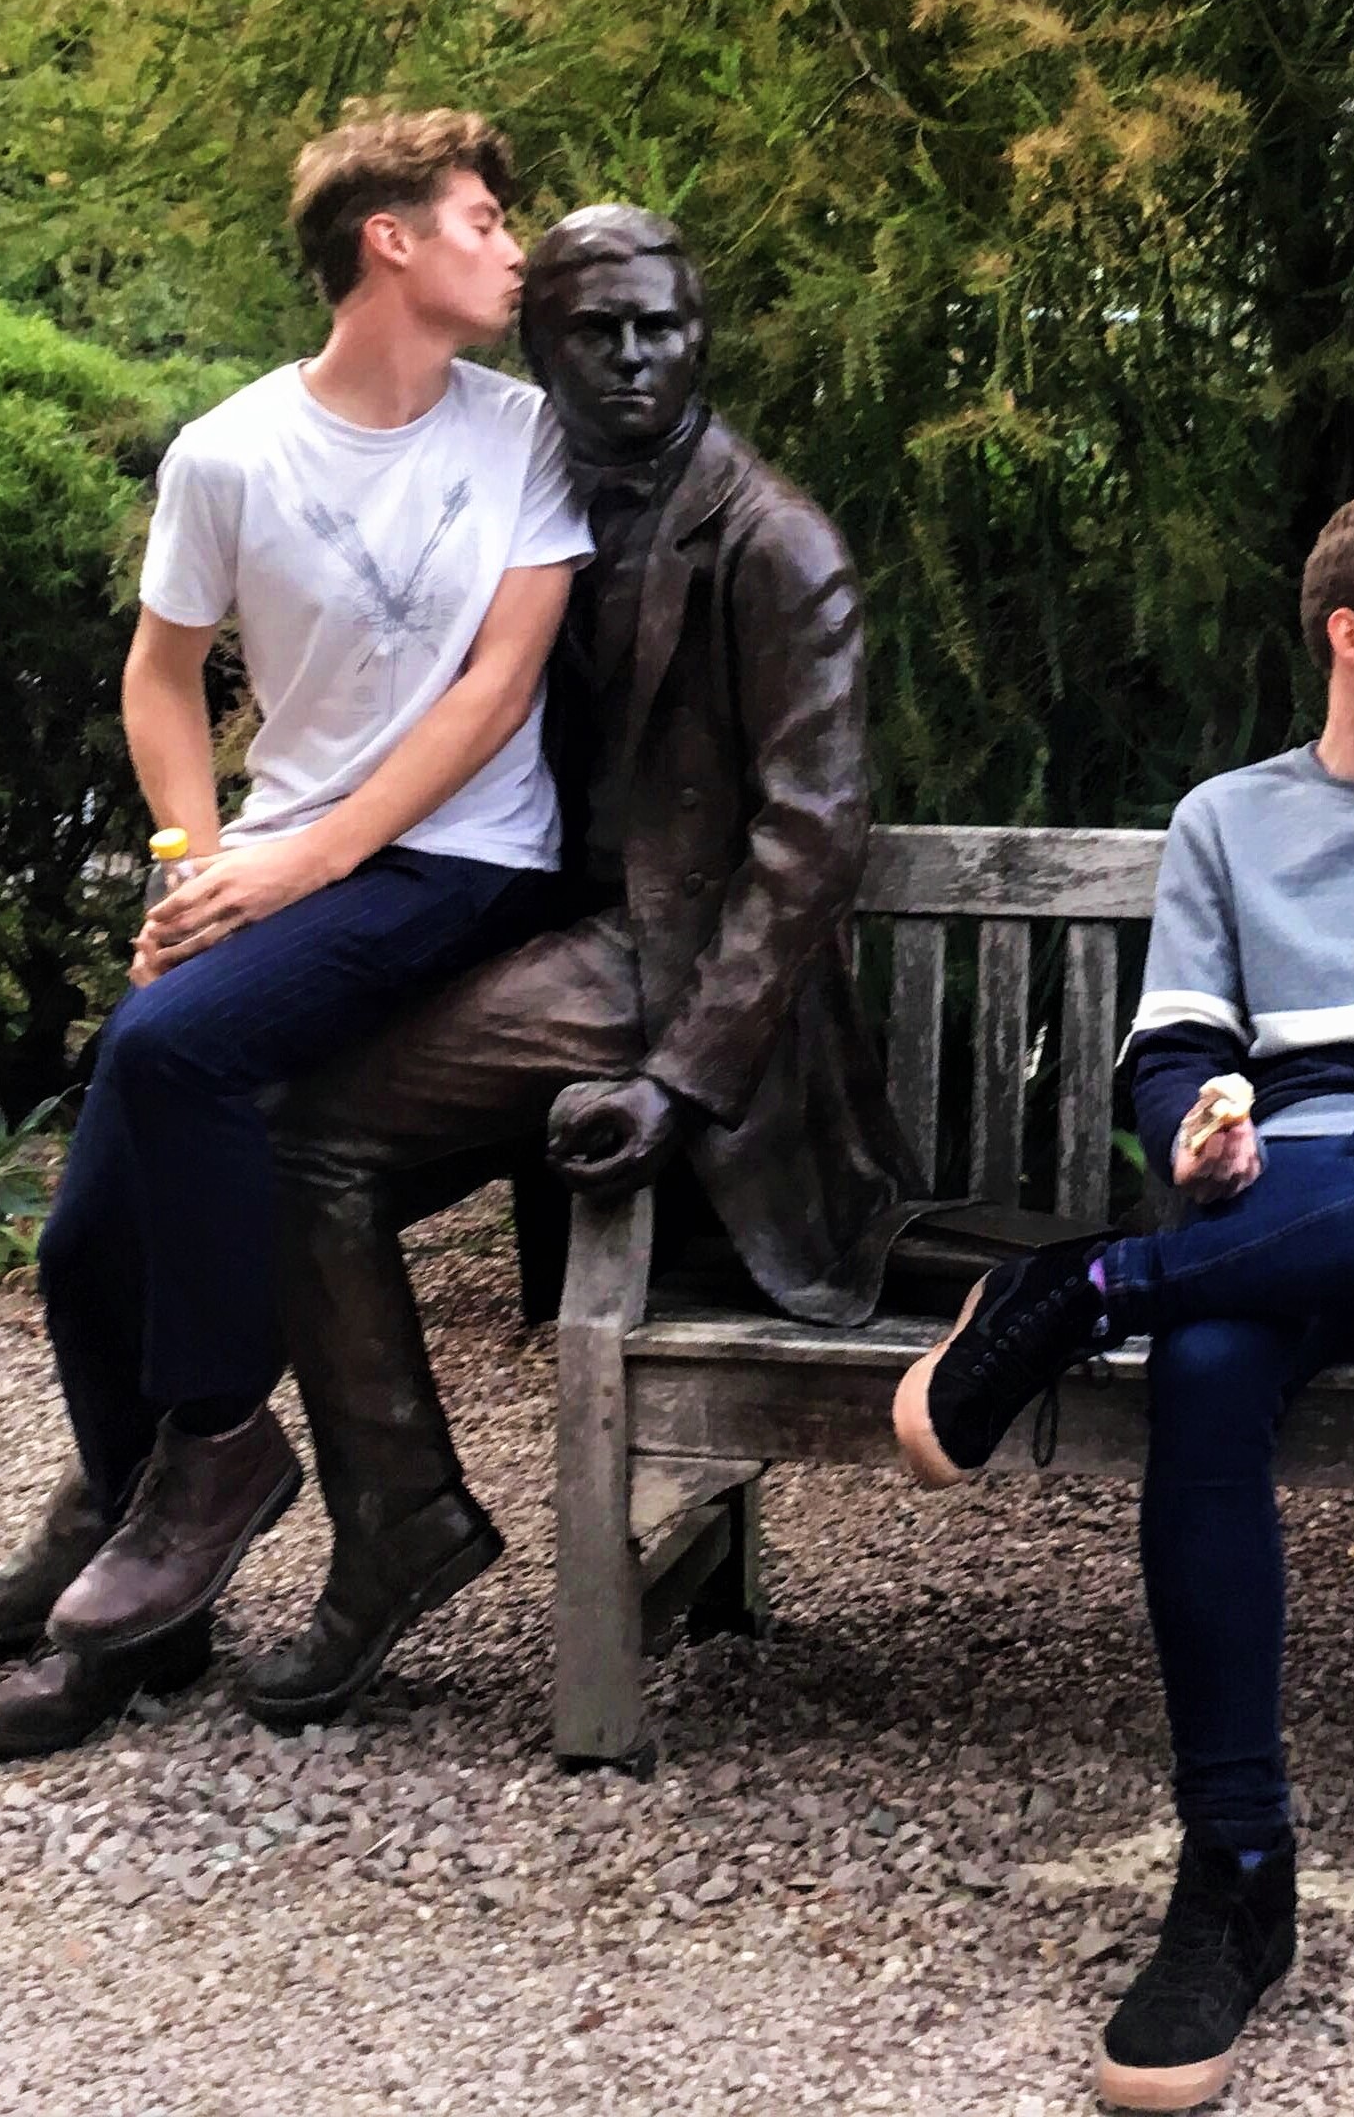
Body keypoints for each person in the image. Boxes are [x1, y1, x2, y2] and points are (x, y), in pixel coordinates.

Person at [889, 493, 1354, 2114]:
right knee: (1213, 1369)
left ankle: (1093, 1287)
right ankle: (1235, 1874)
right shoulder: (1229, 819)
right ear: (1349, 634)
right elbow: (1173, 1049)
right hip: (1281, 1195)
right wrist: (1198, 1130)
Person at [0, 110, 592, 1760]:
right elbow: (160, 673)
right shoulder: (230, 452)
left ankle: (214, 1457)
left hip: (459, 859)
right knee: (80, 1246)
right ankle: (134, 1597)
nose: (513, 245)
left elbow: (495, 693)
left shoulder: (526, 438)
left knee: (174, 1047)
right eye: (484, 217)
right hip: (287, 854)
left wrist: (297, 868)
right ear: (388, 241)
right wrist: (193, 864)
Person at [236, 203, 929, 1732]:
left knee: (306, 1141)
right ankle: (163, 1516)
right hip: (493, 914)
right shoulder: (508, 481)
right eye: (595, 332)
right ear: (539, 345)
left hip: (653, 961)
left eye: (659, 326)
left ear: (701, 333)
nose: (632, 359)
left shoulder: (770, 541)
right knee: (213, 1100)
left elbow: (811, 839)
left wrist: (681, 1077)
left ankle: (400, 1520)